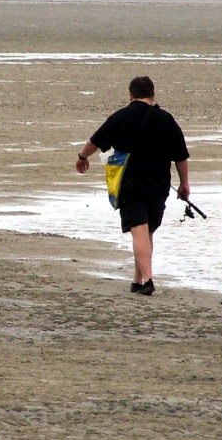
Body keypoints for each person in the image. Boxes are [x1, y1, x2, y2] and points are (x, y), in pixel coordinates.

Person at [75, 75, 190, 296]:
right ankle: (137, 281)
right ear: (153, 94)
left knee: (139, 231)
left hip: (129, 183)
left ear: (130, 95)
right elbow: (181, 156)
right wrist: (185, 184)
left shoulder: (121, 116)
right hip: (159, 185)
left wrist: (82, 157)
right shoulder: (167, 119)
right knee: (147, 233)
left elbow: (94, 142)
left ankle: (148, 279)